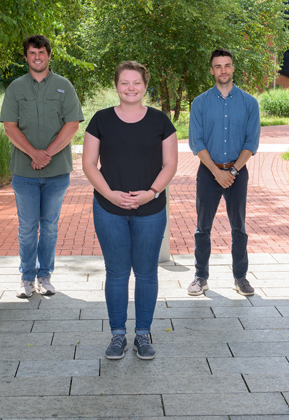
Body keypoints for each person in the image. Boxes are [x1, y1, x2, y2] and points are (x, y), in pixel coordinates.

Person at [82, 61, 178, 360]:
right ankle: (118, 335)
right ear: (116, 85)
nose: (131, 88)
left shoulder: (161, 121)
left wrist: (151, 193)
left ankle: (143, 335)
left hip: (150, 210)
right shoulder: (101, 120)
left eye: (136, 82)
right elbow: (88, 164)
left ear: (145, 86)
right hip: (109, 209)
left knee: (147, 273)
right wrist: (109, 193)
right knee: (117, 273)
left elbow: (171, 164)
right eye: (125, 82)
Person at [0, 35, 84, 299]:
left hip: (57, 172)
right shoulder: (15, 88)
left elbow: (72, 124)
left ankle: (45, 276)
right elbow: (9, 126)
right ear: (26, 56)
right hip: (24, 174)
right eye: (32, 52)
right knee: (27, 227)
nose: (37, 56)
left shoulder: (64, 86)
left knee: (49, 225)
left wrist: (46, 154)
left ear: (49, 55)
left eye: (42, 52)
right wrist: (33, 154)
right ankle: (26, 278)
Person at [187, 49, 260, 297]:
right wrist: (217, 173)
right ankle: (200, 277)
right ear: (211, 71)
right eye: (218, 66)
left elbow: (251, 142)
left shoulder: (249, 103)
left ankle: (240, 278)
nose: (223, 71)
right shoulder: (200, 103)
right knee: (202, 228)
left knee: (238, 227)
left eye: (227, 65)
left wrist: (234, 170)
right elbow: (197, 142)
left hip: (238, 172)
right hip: (209, 171)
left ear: (233, 68)